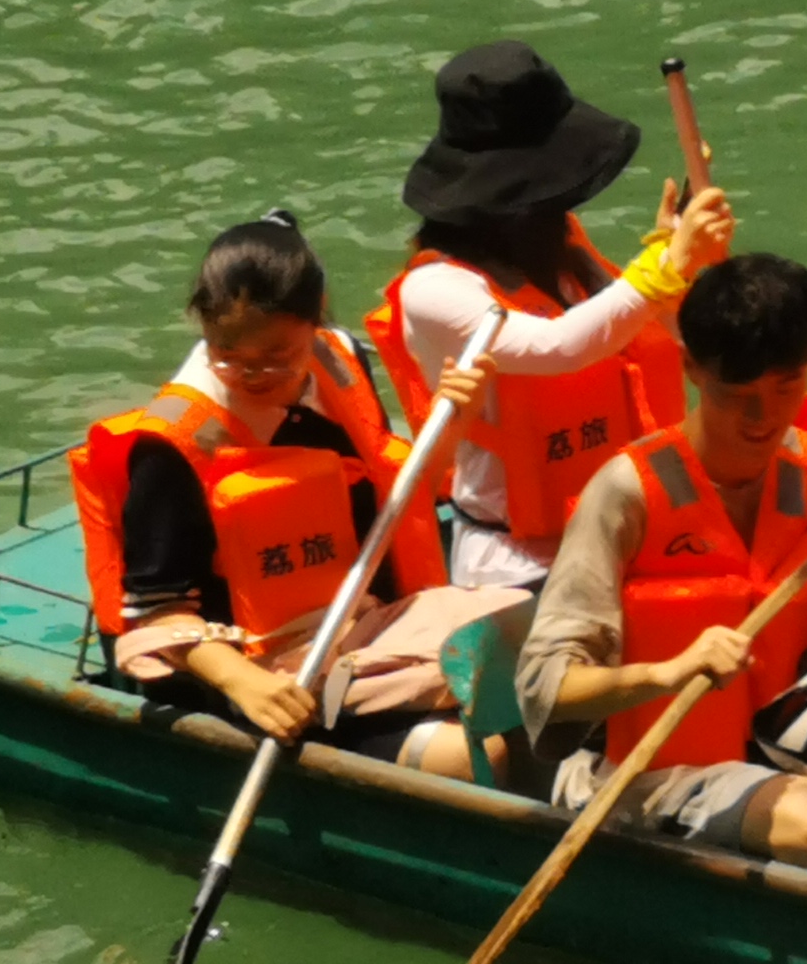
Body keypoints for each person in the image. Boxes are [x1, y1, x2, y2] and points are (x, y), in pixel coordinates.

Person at [72, 211, 506, 772]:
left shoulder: (336, 362)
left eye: (277, 355)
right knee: (480, 752)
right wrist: (243, 682)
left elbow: (394, 494)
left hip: (363, 625)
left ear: (315, 317)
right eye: (228, 354)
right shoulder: (171, 447)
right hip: (263, 671)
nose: (253, 375)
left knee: (536, 640)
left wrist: (454, 420)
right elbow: (156, 613)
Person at [513, 252, 807, 874]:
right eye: (737, 395)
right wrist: (668, 673)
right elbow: (545, 690)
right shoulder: (626, 493)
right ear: (691, 367)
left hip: (787, 756)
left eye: (786, 388)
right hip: (647, 778)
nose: (763, 419)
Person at [364, 41, 734, 593]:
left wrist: (684, 256)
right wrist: (666, 262)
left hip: (626, 528)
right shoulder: (433, 288)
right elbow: (557, 347)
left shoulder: (563, 252)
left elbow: (655, 330)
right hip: (518, 566)